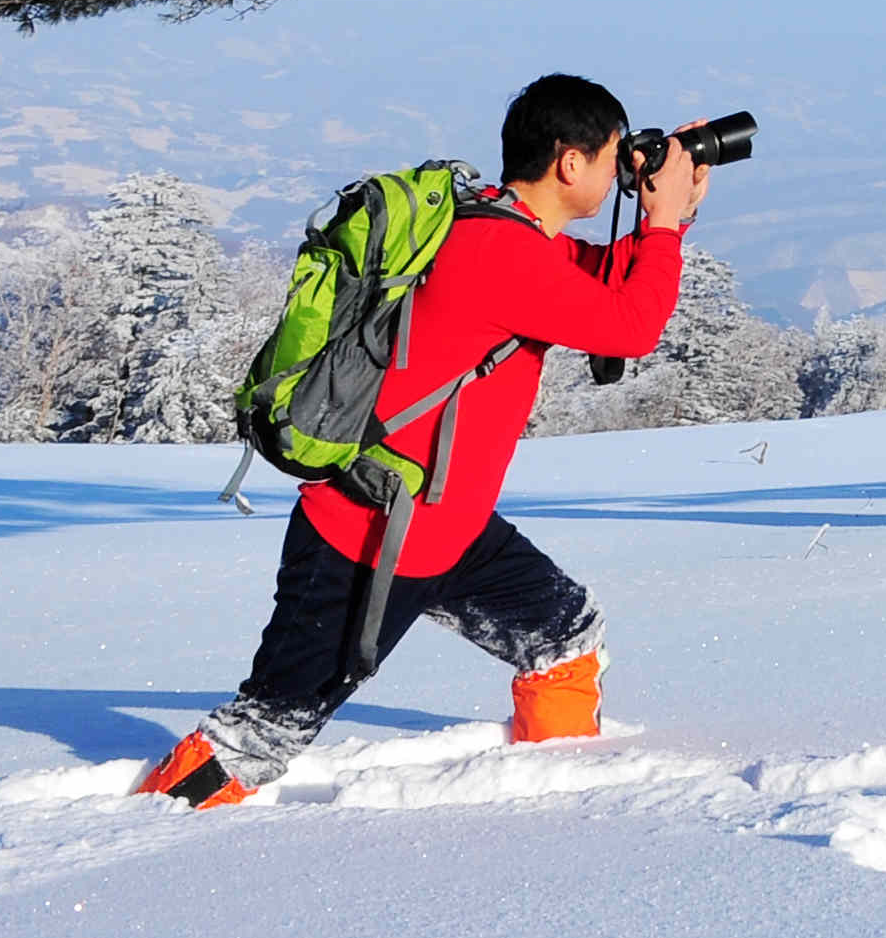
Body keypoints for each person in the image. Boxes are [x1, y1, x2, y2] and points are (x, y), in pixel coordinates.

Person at [133, 73, 709, 808]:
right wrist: (659, 226)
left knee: (565, 634)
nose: (616, 168)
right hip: (367, 539)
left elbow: (613, 287)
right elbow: (630, 324)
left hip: (450, 528)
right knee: (264, 730)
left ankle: (558, 802)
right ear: (570, 162)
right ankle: (145, 831)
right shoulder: (505, 256)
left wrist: (675, 213)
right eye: (611, 155)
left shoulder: (507, 233)